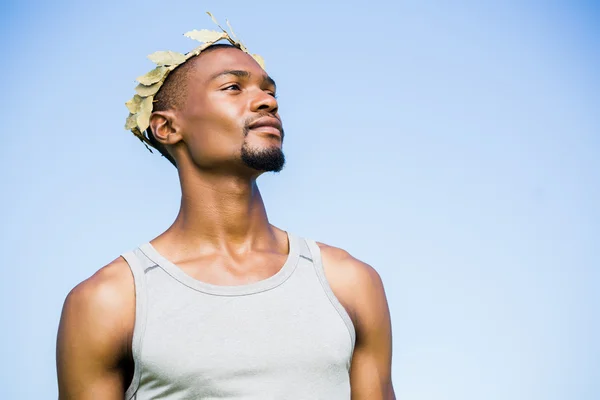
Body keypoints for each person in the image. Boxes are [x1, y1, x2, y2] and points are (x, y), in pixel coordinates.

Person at [56, 39, 395, 399]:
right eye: (233, 87)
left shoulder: (349, 282)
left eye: (269, 91)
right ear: (167, 128)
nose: (269, 102)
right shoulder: (111, 300)